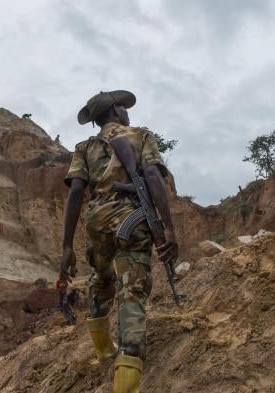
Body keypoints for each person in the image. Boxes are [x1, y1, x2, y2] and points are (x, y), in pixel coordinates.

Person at [60, 90, 178, 392]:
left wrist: (67, 246)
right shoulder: (141, 135)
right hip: (132, 217)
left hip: (96, 222)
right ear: (115, 111)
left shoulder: (84, 147)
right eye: (123, 108)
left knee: (101, 278)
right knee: (132, 293)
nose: (127, 111)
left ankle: (103, 350)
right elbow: (153, 175)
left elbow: (75, 192)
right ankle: (126, 374)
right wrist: (168, 227)